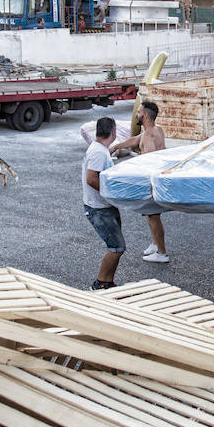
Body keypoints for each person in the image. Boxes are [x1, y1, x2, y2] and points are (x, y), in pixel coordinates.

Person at [110, 101, 169, 263]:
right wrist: (116, 147)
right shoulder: (155, 130)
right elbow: (136, 140)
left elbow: (149, 159)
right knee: (150, 215)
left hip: (151, 180)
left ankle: (162, 253)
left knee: (153, 215)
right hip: (156, 179)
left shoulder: (149, 136)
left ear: (145, 115)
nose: (136, 115)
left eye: (139, 112)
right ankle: (156, 244)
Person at [83, 117, 124, 290]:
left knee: (117, 246)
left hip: (104, 206)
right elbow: (92, 179)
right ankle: (99, 283)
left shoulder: (100, 149)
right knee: (116, 247)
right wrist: (112, 194)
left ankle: (108, 282)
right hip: (99, 208)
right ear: (113, 132)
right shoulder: (99, 152)